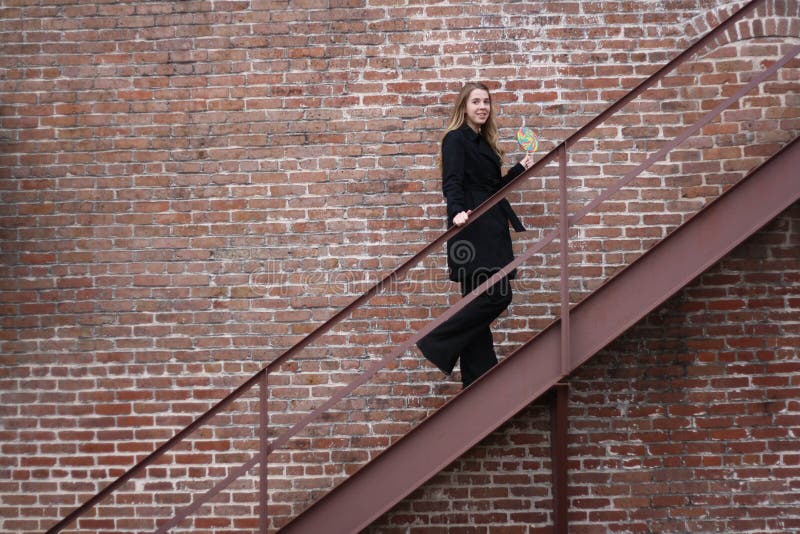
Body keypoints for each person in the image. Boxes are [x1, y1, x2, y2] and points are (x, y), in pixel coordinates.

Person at [417, 81, 533, 388]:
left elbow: (492, 189)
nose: (482, 107)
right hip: (472, 227)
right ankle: (436, 341)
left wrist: (518, 170)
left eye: (486, 102)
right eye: (476, 102)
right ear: (464, 107)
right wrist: (456, 211)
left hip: (491, 226)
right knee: (498, 295)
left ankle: (478, 382)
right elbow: (452, 182)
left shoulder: (485, 143)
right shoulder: (456, 139)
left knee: (476, 305)